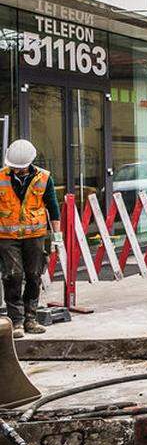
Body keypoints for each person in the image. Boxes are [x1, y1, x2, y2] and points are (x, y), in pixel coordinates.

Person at [0, 139, 62, 338]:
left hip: (35, 235)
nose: (17, 170)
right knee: (12, 276)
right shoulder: (1, 177)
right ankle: (16, 322)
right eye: (13, 167)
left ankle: (31, 318)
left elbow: (53, 208)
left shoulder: (44, 178)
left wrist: (57, 237)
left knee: (34, 275)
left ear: (30, 163)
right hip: (7, 236)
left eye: (20, 167)